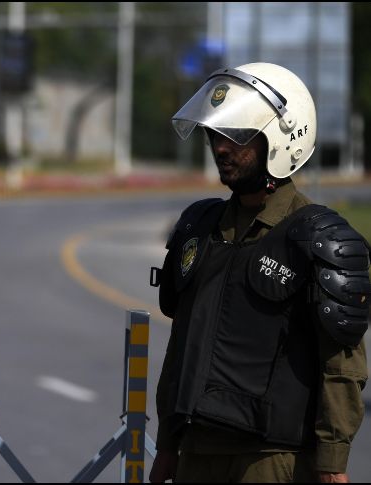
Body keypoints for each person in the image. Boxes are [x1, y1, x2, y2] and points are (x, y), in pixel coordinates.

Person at [149, 62, 369, 483]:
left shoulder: (319, 239)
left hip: (270, 460)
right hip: (195, 450)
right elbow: (182, 348)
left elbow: (341, 366)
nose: (221, 148)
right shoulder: (200, 227)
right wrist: (167, 444)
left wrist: (332, 462)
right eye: (216, 135)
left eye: (237, 136)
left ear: (283, 139)